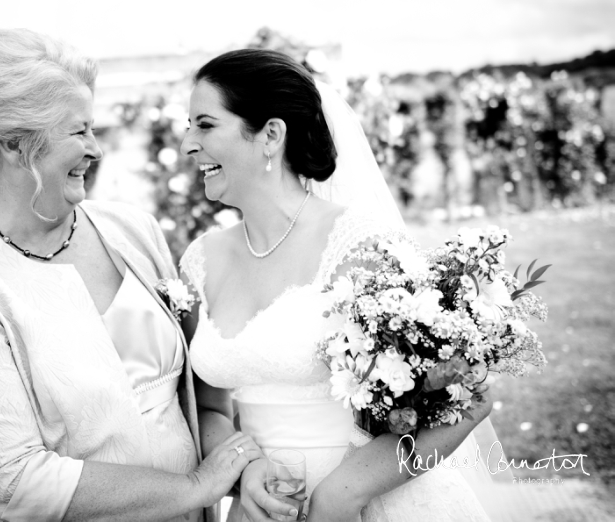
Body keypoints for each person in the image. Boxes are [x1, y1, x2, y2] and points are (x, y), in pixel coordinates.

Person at [0, 28, 265, 522]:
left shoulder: (132, 230)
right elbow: (13, 482)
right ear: (16, 146)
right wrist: (194, 487)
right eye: (79, 131)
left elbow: (201, 392)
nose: (95, 148)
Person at [179, 49, 504, 522]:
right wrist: (244, 466)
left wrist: (342, 496)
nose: (189, 143)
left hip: (375, 503)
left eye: (205, 125)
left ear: (271, 135)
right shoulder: (200, 260)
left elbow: (472, 394)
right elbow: (208, 404)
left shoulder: (362, 245)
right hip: (264, 509)